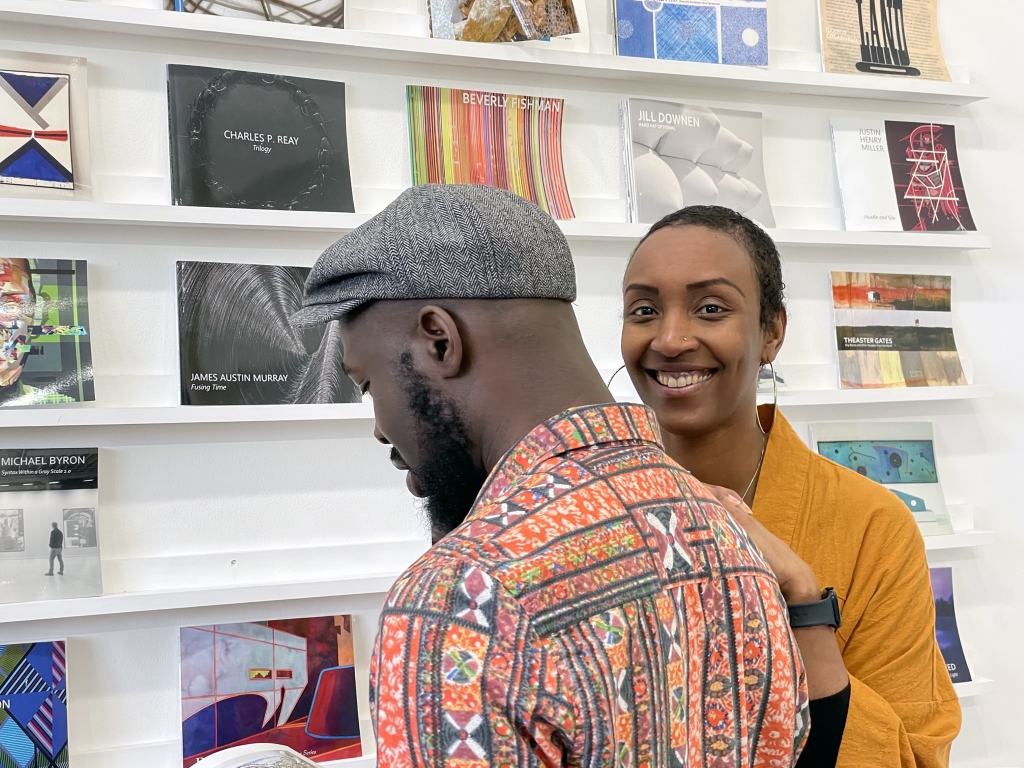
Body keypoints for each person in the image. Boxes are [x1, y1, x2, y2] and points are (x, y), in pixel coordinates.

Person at [294, 184, 810, 766]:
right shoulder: (725, 533)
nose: (380, 429)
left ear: (440, 341)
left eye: (369, 385)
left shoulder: (461, 602)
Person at [619, 205, 960, 768]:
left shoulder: (871, 525)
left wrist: (803, 607)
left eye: (711, 308)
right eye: (645, 310)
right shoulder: (584, 508)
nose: (671, 339)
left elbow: (914, 757)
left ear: (772, 332)